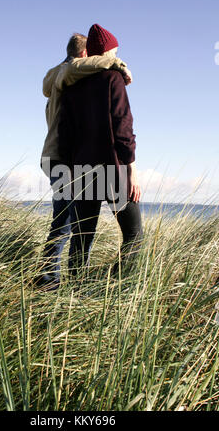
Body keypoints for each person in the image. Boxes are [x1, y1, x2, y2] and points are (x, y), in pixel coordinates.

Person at [38, 32, 134, 290]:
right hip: (64, 157)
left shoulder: (58, 75)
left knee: (69, 220)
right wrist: (116, 63)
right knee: (68, 220)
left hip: (58, 155)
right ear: (84, 56)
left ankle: (53, 277)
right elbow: (78, 67)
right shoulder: (68, 75)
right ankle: (48, 278)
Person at [58, 24, 143, 279]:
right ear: (107, 53)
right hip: (111, 169)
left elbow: (65, 136)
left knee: (81, 239)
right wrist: (132, 172)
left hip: (81, 171)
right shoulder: (113, 79)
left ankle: (75, 294)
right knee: (133, 234)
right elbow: (123, 129)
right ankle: (119, 288)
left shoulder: (71, 87)